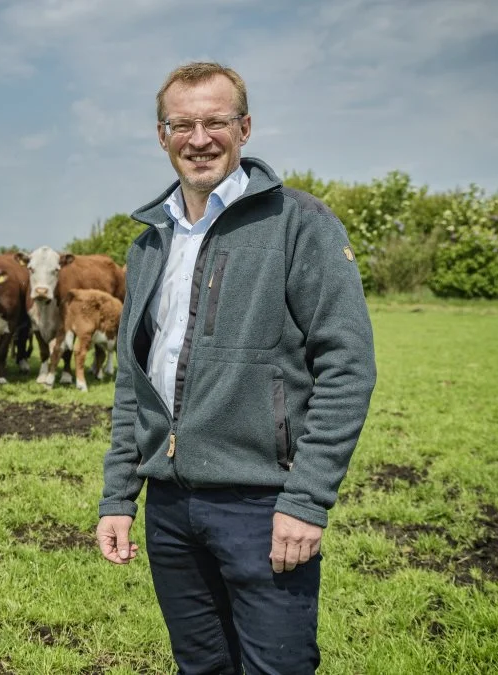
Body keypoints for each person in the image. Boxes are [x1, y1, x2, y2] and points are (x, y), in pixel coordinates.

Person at [95, 62, 376, 674]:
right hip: (169, 507)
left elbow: (348, 366)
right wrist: (119, 496)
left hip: (262, 504)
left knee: (277, 667)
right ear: (162, 135)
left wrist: (306, 500)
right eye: (184, 124)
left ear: (244, 128)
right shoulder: (148, 242)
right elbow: (131, 383)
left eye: (216, 121)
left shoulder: (298, 222)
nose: (200, 138)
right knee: (200, 668)